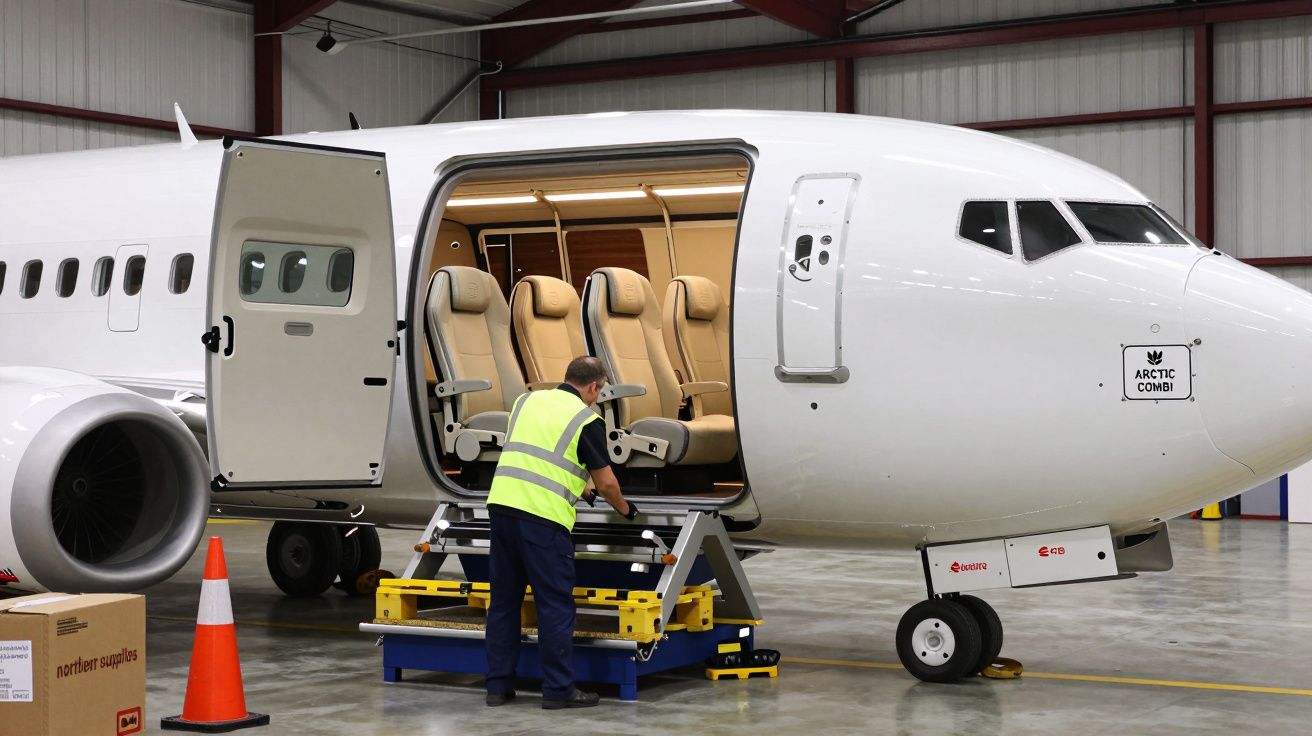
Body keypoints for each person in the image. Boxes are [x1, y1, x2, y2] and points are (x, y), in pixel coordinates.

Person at [483, 355, 638, 709]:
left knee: (504, 604)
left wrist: (577, 487)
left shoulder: (527, 401)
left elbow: (536, 453)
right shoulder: (586, 418)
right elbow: (608, 483)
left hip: (502, 508)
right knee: (554, 606)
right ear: (594, 387)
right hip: (542, 520)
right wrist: (626, 511)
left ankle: (497, 687)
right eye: (599, 392)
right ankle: (558, 691)